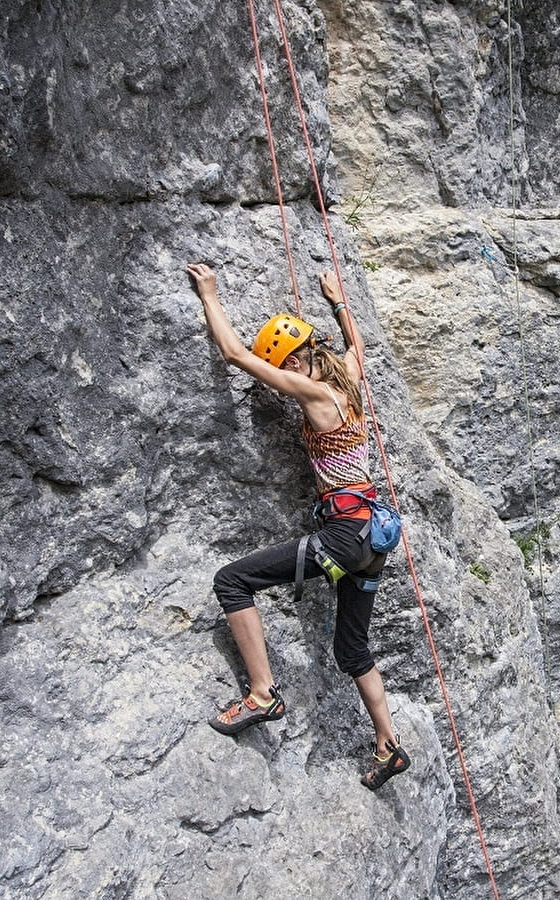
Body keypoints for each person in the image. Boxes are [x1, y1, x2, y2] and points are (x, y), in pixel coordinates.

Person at [185, 262, 410, 791]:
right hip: (373, 540)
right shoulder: (347, 383)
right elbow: (359, 349)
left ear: (298, 360)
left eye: (286, 366)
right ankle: (387, 745)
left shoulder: (315, 395)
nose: (286, 375)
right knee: (351, 651)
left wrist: (211, 296)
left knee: (232, 581)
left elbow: (236, 356)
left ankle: (261, 694)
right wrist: (337, 300)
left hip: (344, 535)